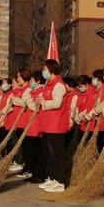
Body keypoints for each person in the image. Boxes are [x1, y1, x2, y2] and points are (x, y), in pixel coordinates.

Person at [36, 59, 69, 193]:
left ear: (52, 69)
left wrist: (44, 101)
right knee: (49, 154)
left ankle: (60, 181)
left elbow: (57, 103)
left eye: (45, 69)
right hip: (47, 124)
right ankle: (52, 177)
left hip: (56, 125)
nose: (44, 72)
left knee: (57, 154)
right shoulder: (47, 85)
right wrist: (40, 100)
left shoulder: (59, 85)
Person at [13, 70, 46, 183]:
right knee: (29, 151)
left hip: (36, 127)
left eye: (32, 80)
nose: (30, 82)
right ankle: (31, 171)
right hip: (30, 126)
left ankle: (36, 173)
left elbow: (34, 107)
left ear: (37, 81)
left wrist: (26, 97)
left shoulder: (41, 91)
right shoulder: (33, 91)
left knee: (34, 151)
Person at [0, 78, 13, 151]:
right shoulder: (3, 95)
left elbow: (8, 107)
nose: (3, 85)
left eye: (5, 83)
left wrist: (0, 112)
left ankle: (6, 157)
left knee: (6, 142)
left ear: (10, 85)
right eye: (3, 84)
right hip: (0, 122)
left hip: (6, 122)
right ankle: (0, 156)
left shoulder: (11, 94)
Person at [63, 76, 78, 147]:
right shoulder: (67, 95)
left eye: (64, 85)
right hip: (64, 123)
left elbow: (73, 110)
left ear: (70, 85)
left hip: (69, 125)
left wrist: (71, 124)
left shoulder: (75, 96)